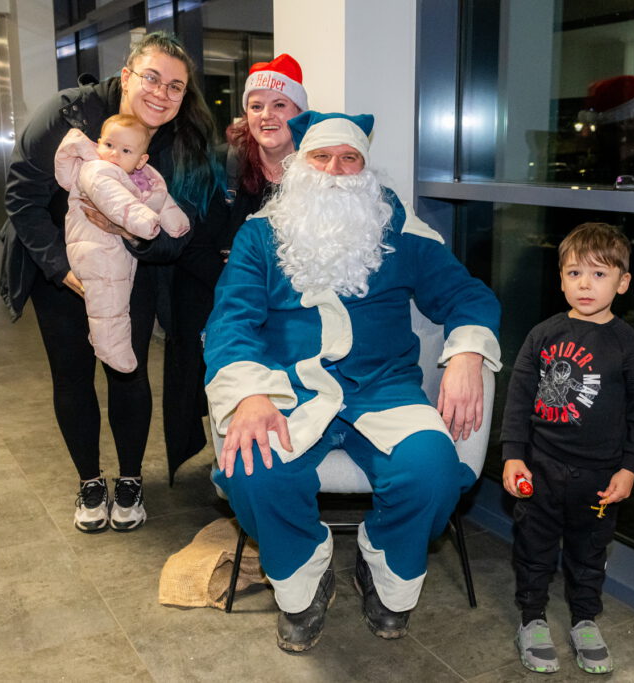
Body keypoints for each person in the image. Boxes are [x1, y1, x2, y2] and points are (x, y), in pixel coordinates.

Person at [202, 111, 501, 652]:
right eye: (321, 157)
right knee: (253, 470)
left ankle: (382, 563)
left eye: (349, 158)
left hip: (384, 389)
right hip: (287, 390)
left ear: (365, 169)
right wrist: (248, 392)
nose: (335, 171)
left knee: (433, 472)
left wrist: (466, 357)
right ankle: (303, 579)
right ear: (300, 165)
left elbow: (468, 297)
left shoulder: (403, 233)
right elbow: (230, 321)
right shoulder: (259, 238)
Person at [0, 32, 222, 533]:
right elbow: (21, 202)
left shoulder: (180, 144)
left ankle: (129, 480)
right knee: (72, 373)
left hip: (131, 270)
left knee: (128, 370)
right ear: (126, 76)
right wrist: (63, 270)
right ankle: (89, 481)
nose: (162, 93)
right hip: (57, 269)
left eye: (175, 86)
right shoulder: (66, 115)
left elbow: (179, 232)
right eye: (152, 78)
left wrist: (132, 235)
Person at [500, 222, 634, 674]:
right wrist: (514, 454)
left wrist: (630, 469)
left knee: (590, 552)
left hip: (599, 478)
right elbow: (518, 399)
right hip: (541, 469)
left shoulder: (629, 347)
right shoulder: (542, 335)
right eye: (574, 274)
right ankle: (532, 619)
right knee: (532, 547)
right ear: (561, 279)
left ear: (622, 282)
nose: (584, 285)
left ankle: (585, 619)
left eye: (598, 274)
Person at [164, 54, 308, 483]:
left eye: (280, 105)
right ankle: (237, 459)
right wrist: (244, 280)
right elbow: (188, 240)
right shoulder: (216, 166)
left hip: (289, 306)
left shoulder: (319, 169)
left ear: (300, 113)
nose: (267, 115)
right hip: (214, 298)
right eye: (256, 105)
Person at [55, 114, 190, 373]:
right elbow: (117, 202)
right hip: (94, 248)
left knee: (118, 297)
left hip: (117, 248)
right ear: (98, 143)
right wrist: (144, 221)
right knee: (109, 299)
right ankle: (109, 347)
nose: (114, 154)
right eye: (108, 145)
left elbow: (160, 198)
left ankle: (105, 338)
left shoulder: (144, 176)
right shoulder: (95, 169)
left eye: (125, 150)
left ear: (141, 160)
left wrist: (176, 223)